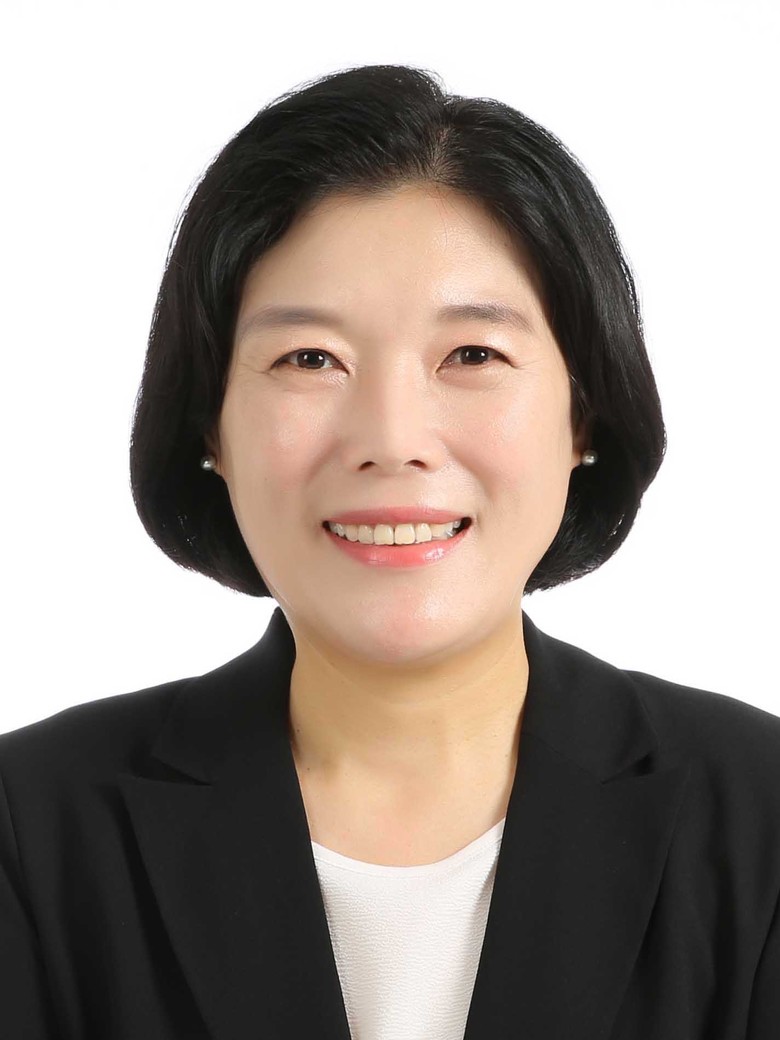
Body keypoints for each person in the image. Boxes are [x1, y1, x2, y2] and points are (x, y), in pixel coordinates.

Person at [1, 62, 778, 1040]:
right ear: (210, 428)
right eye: (309, 358)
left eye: (473, 355)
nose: (392, 437)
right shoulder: (31, 829)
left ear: (584, 414)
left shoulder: (761, 817)